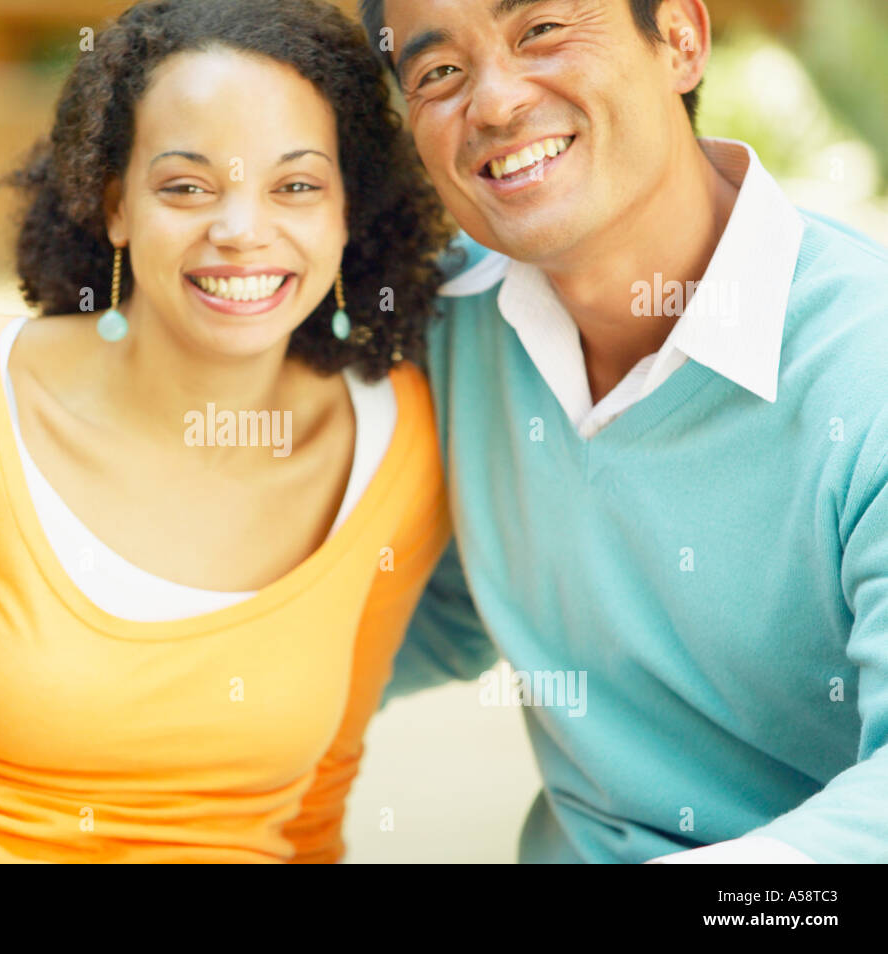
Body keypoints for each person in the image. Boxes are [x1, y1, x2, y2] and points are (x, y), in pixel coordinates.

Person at [0, 0, 454, 863]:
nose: (241, 231)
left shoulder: (394, 443)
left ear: (348, 212)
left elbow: (312, 815)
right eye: (186, 186)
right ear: (115, 204)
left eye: (296, 185)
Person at [363, 0, 888, 862]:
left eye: (540, 31)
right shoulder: (446, 332)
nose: (493, 104)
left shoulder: (865, 368)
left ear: (679, 38)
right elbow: (422, 605)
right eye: (439, 73)